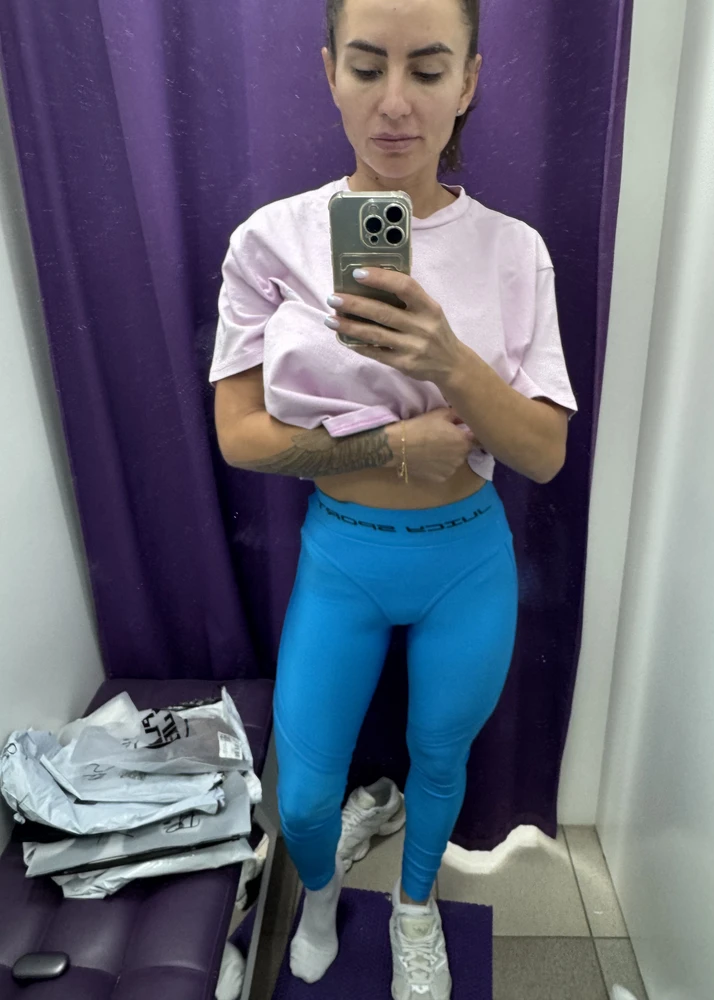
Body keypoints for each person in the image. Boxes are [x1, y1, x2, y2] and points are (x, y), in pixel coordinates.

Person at [212, 0, 577, 996]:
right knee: (306, 793)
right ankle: (322, 891)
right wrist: (386, 444)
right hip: (343, 554)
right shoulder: (272, 241)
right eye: (368, 66)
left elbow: (544, 453)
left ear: (470, 81)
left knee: (440, 756)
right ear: (329, 70)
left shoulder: (514, 251)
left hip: (467, 557)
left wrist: (447, 359)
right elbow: (238, 436)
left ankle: (416, 908)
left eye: (428, 69)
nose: (396, 103)